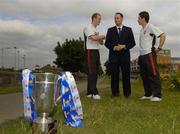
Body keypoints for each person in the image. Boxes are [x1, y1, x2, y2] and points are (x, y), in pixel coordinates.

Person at [105, 12, 136, 98]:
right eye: (115, 18)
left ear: (122, 19)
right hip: (113, 56)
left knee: (126, 75)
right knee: (114, 75)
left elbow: (133, 43)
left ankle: (127, 94)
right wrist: (114, 47)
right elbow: (107, 43)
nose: (116, 20)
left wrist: (124, 46)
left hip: (125, 56)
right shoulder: (110, 30)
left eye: (117, 18)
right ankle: (115, 93)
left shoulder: (128, 30)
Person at [138, 11, 166, 101]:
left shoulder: (151, 27)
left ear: (143, 18)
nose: (137, 20)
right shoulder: (141, 30)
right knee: (144, 75)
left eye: (138, 18)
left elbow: (163, 35)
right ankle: (148, 94)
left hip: (149, 54)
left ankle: (157, 95)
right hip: (142, 55)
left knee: (153, 74)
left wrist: (159, 48)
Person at [83, 13, 105, 100]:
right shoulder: (88, 27)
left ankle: (89, 92)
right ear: (94, 18)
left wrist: (100, 39)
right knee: (92, 72)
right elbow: (93, 38)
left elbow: (101, 42)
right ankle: (94, 93)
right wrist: (102, 36)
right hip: (90, 51)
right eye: (99, 18)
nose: (100, 20)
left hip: (96, 51)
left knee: (93, 72)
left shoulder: (95, 30)